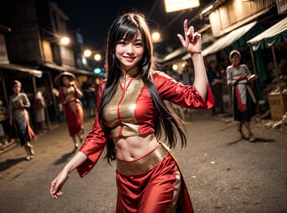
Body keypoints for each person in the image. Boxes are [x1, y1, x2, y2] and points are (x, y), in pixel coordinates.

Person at [50, 12, 214, 212]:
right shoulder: (105, 87)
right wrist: (67, 169)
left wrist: (196, 55)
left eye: (137, 44)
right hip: (125, 180)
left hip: (158, 172)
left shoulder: (156, 80)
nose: (130, 50)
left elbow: (197, 97)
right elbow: (97, 135)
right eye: (123, 43)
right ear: (113, 46)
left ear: (145, 48)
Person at [226, 50, 257, 142]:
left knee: (246, 111)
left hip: (246, 90)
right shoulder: (229, 69)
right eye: (234, 57)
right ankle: (250, 133)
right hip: (237, 92)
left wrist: (251, 78)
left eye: (237, 57)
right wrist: (238, 78)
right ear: (230, 59)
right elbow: (229, 82)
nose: (236, 59)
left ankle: (240, 128)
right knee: (243, 111)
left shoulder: (244, 67)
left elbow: (249, 76)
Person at [54, 72, 84, 149]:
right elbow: (61, 99)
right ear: (62, 82)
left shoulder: (73, 86)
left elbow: (80, 95)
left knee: (79, 121)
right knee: (71, 125)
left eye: (67, 79)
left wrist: (76, 89)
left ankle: (80, 133)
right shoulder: (61, 89)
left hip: (76, 105)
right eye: (64, 80)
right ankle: (75, 142)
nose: (66, 81)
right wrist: (65, 100)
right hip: (68, 108)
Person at [9, 80, 35, 160]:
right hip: (16, 117)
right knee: (21, 136)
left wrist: (22, 105)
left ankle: (29, 147)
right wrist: (11, 118)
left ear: (20, 88)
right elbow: (10, 109)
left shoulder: (23, 95)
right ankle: (28, 151)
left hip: (23, 115)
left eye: (18, 87)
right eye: (15, 87)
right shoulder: (11, 97)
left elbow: (29, 105)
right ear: (13, 89)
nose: (16, 89)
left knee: (23, 132)